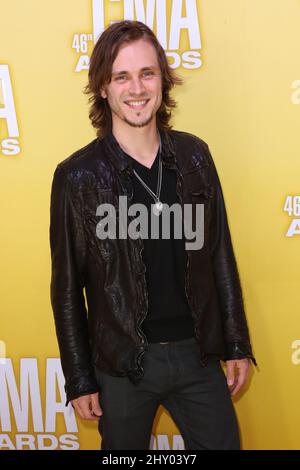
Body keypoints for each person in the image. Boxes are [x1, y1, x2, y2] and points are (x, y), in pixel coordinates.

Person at [49, 20, 256, 450]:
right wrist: (80, 377)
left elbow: (219, 254)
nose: (137, 88)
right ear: (103, 88)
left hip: (197, 356)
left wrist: (236, 344)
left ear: (163, 80)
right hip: (123, 366)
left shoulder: (195, 155)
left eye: (147, 73)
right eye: (121, 76)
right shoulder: (78, 177)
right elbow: (67, 289)